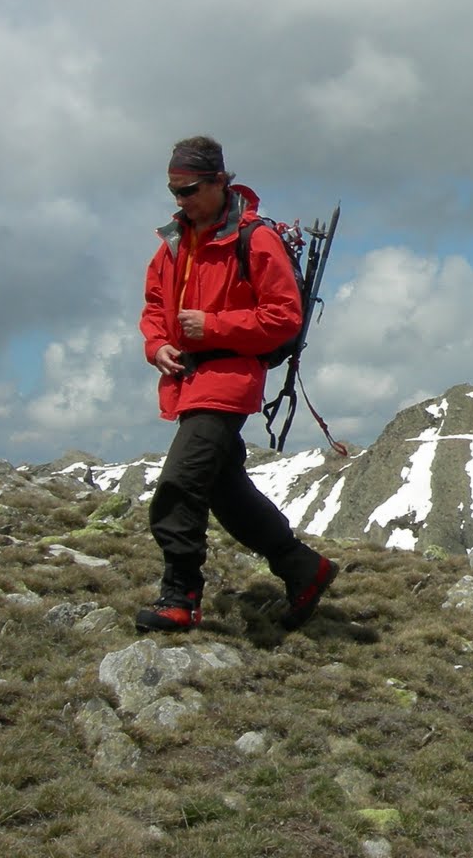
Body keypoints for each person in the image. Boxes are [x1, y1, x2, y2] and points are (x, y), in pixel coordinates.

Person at [136, 135, 337, 632]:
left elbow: (283, 318)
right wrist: (156, 345)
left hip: (229, 378)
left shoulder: (254, 238)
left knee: (181, 484)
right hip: (187, 377)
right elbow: (155, 308)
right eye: (174, 191)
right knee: (226, 492)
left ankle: (179, 596)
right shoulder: (173, 243)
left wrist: (214, 326)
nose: (180, 200)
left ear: (220, 182)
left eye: (189, 189)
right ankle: (303, 569)